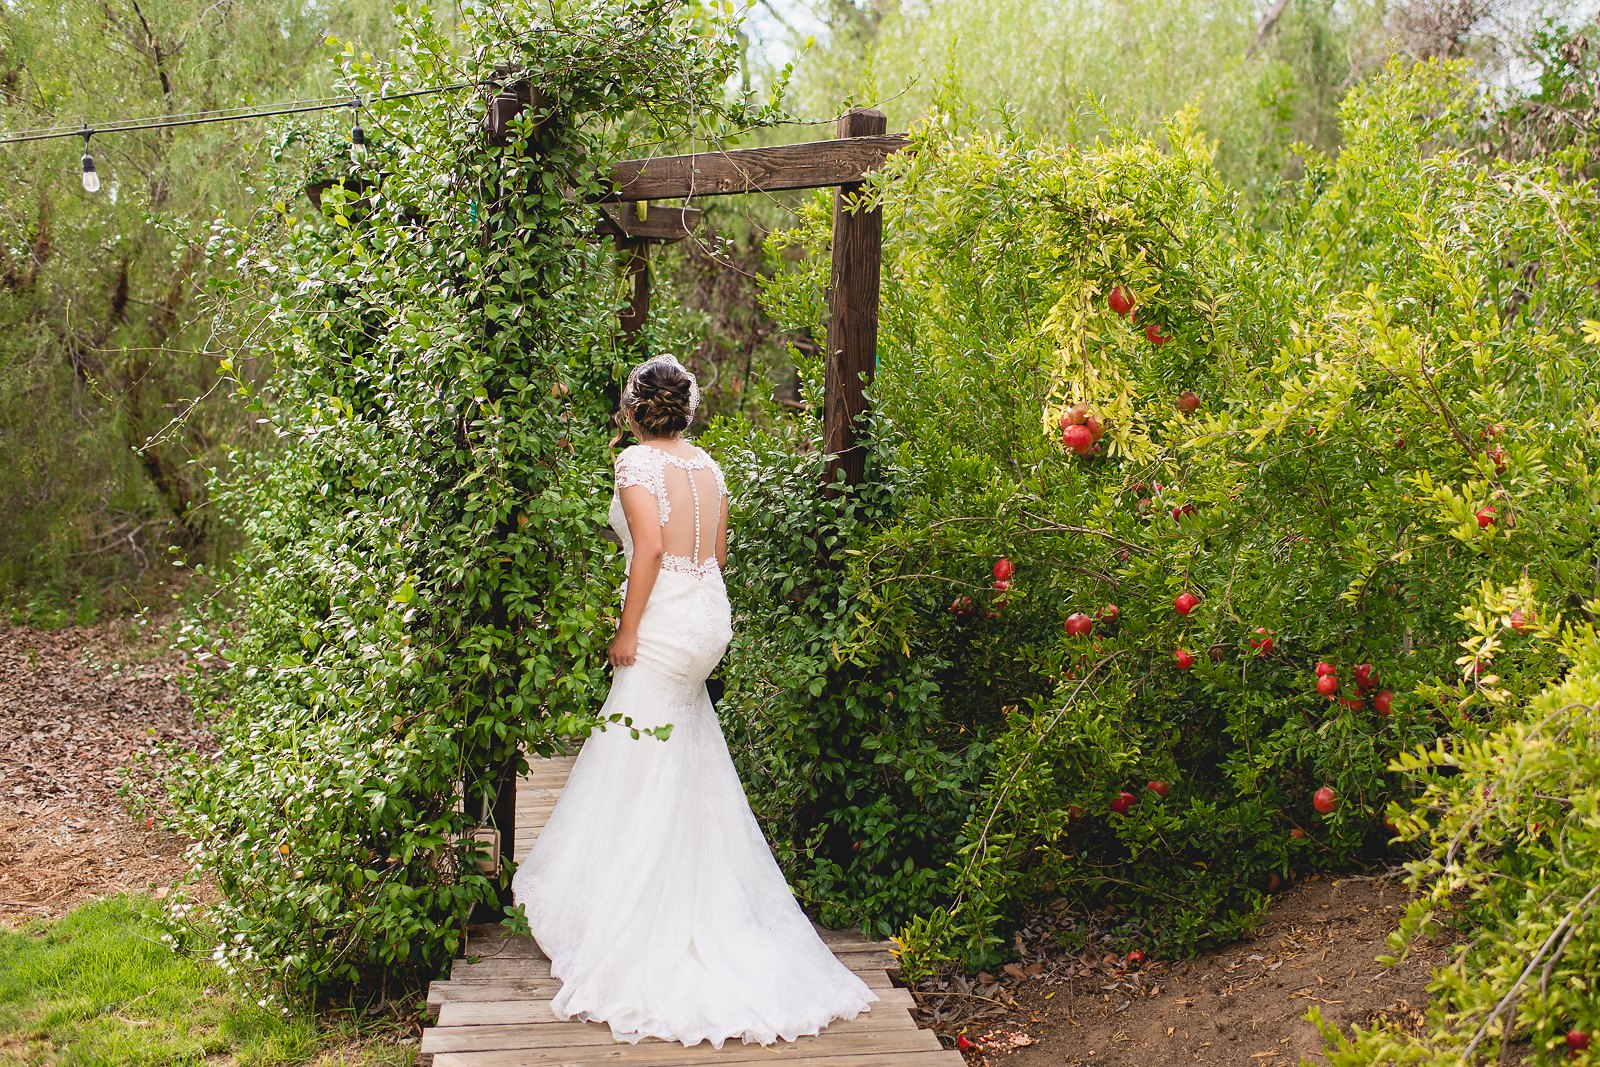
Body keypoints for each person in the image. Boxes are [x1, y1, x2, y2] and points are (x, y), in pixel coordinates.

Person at [509, 353, 879, 1048]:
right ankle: (685, 886)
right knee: (674, 746)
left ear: (632, 408)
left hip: (665, 618)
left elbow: (647, 550)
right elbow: (719, 555)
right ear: (687, 407)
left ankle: (635, 913)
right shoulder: (708, 467)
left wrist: (627, 629)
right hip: (708, 614)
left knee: (630, 749)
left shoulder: (635, 466)